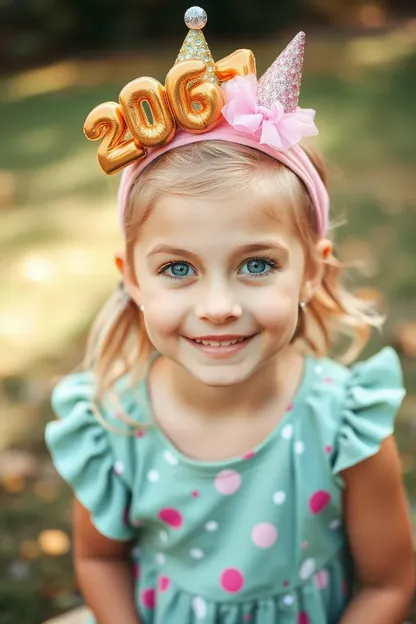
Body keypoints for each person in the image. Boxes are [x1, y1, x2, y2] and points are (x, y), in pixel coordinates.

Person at [45, 7, 414, 624]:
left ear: (313, 270)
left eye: (258, 265)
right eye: (179, 269)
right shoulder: (111, 421)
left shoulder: (344, 427)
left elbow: (389, 585)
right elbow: (101, 562)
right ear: (131, 277)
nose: (218, 308)